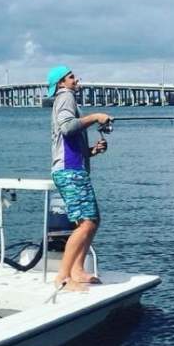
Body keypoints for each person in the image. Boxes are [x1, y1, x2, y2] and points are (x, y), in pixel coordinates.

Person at [48, 65, 112, 291]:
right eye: (71, 76)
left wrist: (92, 151)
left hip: (73, 169)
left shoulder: (67, 99)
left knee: (91, 222)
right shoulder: (65, 97)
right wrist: (95, 117)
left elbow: (71, 141)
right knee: (87, 223)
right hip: (69, 172)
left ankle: (77, 270)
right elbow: (67, 128)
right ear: (61, 84)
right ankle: (63, 277)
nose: (76, 79)